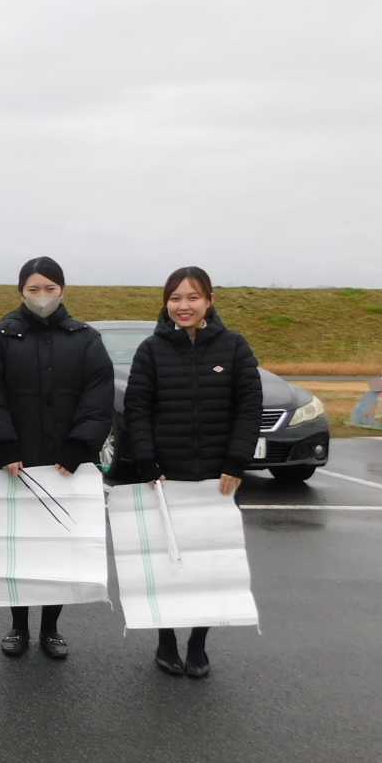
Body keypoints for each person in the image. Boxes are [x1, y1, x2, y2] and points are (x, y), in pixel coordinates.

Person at [123, 266, 262, 679]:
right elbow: (137, 408)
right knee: (167, 560)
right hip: (166, 476)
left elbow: (248, 407)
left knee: (210, 562)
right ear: (166, 303)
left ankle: (198, 643)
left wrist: (236, 461)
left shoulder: (234, 347)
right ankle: (165, 640)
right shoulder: (151, 349)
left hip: (218, 480)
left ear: (209, 301)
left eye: (193, 297)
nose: (183, 306)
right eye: (175, 298)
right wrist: (147, 460)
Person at [0, 256, 114, 660]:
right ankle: (18, 625)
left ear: (62, 290)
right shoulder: (0, 337)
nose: (41, 297)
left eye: (49, 289)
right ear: (21, 291)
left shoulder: (85, 338)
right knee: (19, 545)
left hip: (65, 462)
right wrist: (4, 446)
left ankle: (51, 627)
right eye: (33, 289)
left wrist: (79, 446)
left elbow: (98, 397)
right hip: (17, 461)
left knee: (57, 545)